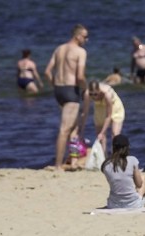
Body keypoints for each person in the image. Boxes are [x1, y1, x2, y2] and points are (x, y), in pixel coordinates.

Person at [45, 24, 89, 169]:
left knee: (73, 127)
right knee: (65, 129)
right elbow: (80, 76)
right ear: (77, 36)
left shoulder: (59, 49)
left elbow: (47, 72)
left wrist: (56, 85)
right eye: (84, 36)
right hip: (71, 90)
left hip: (59, 90)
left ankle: (73, 161)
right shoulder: (80, 52)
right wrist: (86, 89)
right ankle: (58, 165)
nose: (86, 39)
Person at [101, 134, 145, 209]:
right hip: (133, 204)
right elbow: (139, 184)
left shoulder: (106, 165)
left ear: (113, 147)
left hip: (113, 204)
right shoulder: (132, 160)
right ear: (127, 147)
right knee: (142, 178)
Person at [84, 80, 125, 154]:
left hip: (115, 108)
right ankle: (103, 157)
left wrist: (102, 132)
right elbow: (85, 113)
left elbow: (108, 116)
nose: (93, 97)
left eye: (95, 94)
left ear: (99, 91)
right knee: (100, 136)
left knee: (115, 134)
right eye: (91, 94)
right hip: (100, 107)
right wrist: (80, 130)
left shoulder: (107, 94)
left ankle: (116, 157)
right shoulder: (87, 94)